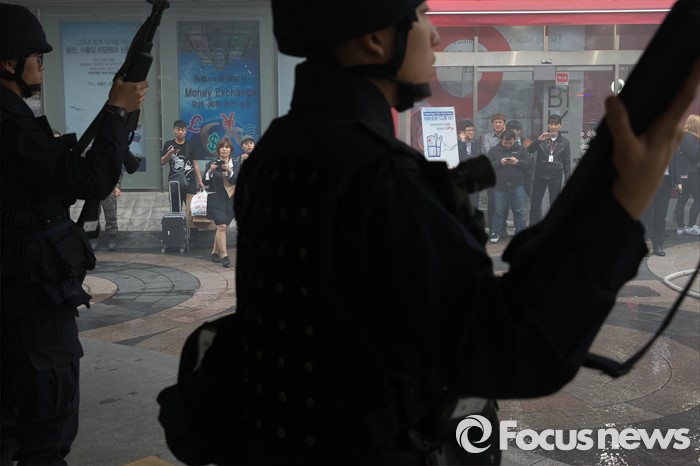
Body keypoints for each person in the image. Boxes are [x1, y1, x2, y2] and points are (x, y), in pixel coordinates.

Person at [229, 0, 700, 463]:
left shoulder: (276, 152)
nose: (435, 35)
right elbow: (508, 350)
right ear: (375, 40)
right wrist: (622, 205)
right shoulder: (383, 178)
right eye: (421, 16)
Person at [0, 4, 148, 465]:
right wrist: (117, 110)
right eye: (36, 58)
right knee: (45, 435)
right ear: (9, 62)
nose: (41, 66)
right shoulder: (10, 124)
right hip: (31, 302)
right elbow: (90, 180)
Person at [527, 114, 572, 226]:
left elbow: (566, 161)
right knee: (535, 203)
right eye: (551, 124)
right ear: (547, 125)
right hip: (540, 175)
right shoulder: (542, 138)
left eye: (556, 124)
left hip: (555, 175)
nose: (553, 126)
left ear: (560, 125)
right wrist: (538, 140)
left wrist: (567, 177)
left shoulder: (565, 142)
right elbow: (530, 150)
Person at [488, 130, 531, 244]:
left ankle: (519, 231)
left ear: (514, 140)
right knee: (499, 211)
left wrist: (518, 162)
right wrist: (499, 163)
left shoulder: (521, 149)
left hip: (517, 185)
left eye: (510, 143)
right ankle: (495, 232)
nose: (508, 145)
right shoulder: (493, 150)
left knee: (518, 210)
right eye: (505, 143)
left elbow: (528, 164)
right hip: (499, 186)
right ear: (501, 140)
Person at [204, 138, 239, 268]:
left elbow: (235, 181)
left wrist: (229, 171)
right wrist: (210, 171)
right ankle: (224, 256)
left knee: (222, 227)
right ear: (218, 150)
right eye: (222, 147)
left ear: (231, 150)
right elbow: (205, 182)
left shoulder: (236, 164)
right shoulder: (211, 163)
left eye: (227, 147)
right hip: (216, 198)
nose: (224, 149)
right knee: (221, 226)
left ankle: (214, 252)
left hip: (231, 199)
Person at [160, 119, 204, 213]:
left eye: (183, 130)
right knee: (175, 210)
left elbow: (195, 164)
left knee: (192, 210)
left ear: (186, 131)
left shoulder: (191, 145)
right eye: (178, 129)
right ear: (174, 130)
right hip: (175, 182)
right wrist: (170, 153)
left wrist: (200, 181)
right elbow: (162, 162)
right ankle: (177, 223)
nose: (180, 132)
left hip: (190, 182)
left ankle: (190, 224)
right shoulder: (169, 144)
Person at [673, 114, 700, 236]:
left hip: (685, 174)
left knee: (682, 199)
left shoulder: (684, 137)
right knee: (698, 199)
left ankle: (681, 227)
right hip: (691, 174)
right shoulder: (688, 138)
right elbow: (694, 154)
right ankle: (690, 226)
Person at [482, 113, 506, 233]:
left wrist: (505, 137)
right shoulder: (487, 137)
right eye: (495, 122)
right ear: (492, 124)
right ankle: (492, 228)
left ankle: (503, 228)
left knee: (505, 202)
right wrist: (503, 147)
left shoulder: (509, 135)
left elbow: (514, 149)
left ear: (504, 123)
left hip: (506, 174)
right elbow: (488, 153)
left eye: (500, 122)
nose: (497, 124)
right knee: (492, 202)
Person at [91, 171, 123, 251]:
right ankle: (93, 237)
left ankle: (112, 236)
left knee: (111, 215)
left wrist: (117, 186)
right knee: (92, 216)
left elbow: (117, 171)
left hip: (108, 188)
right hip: (92, 189)